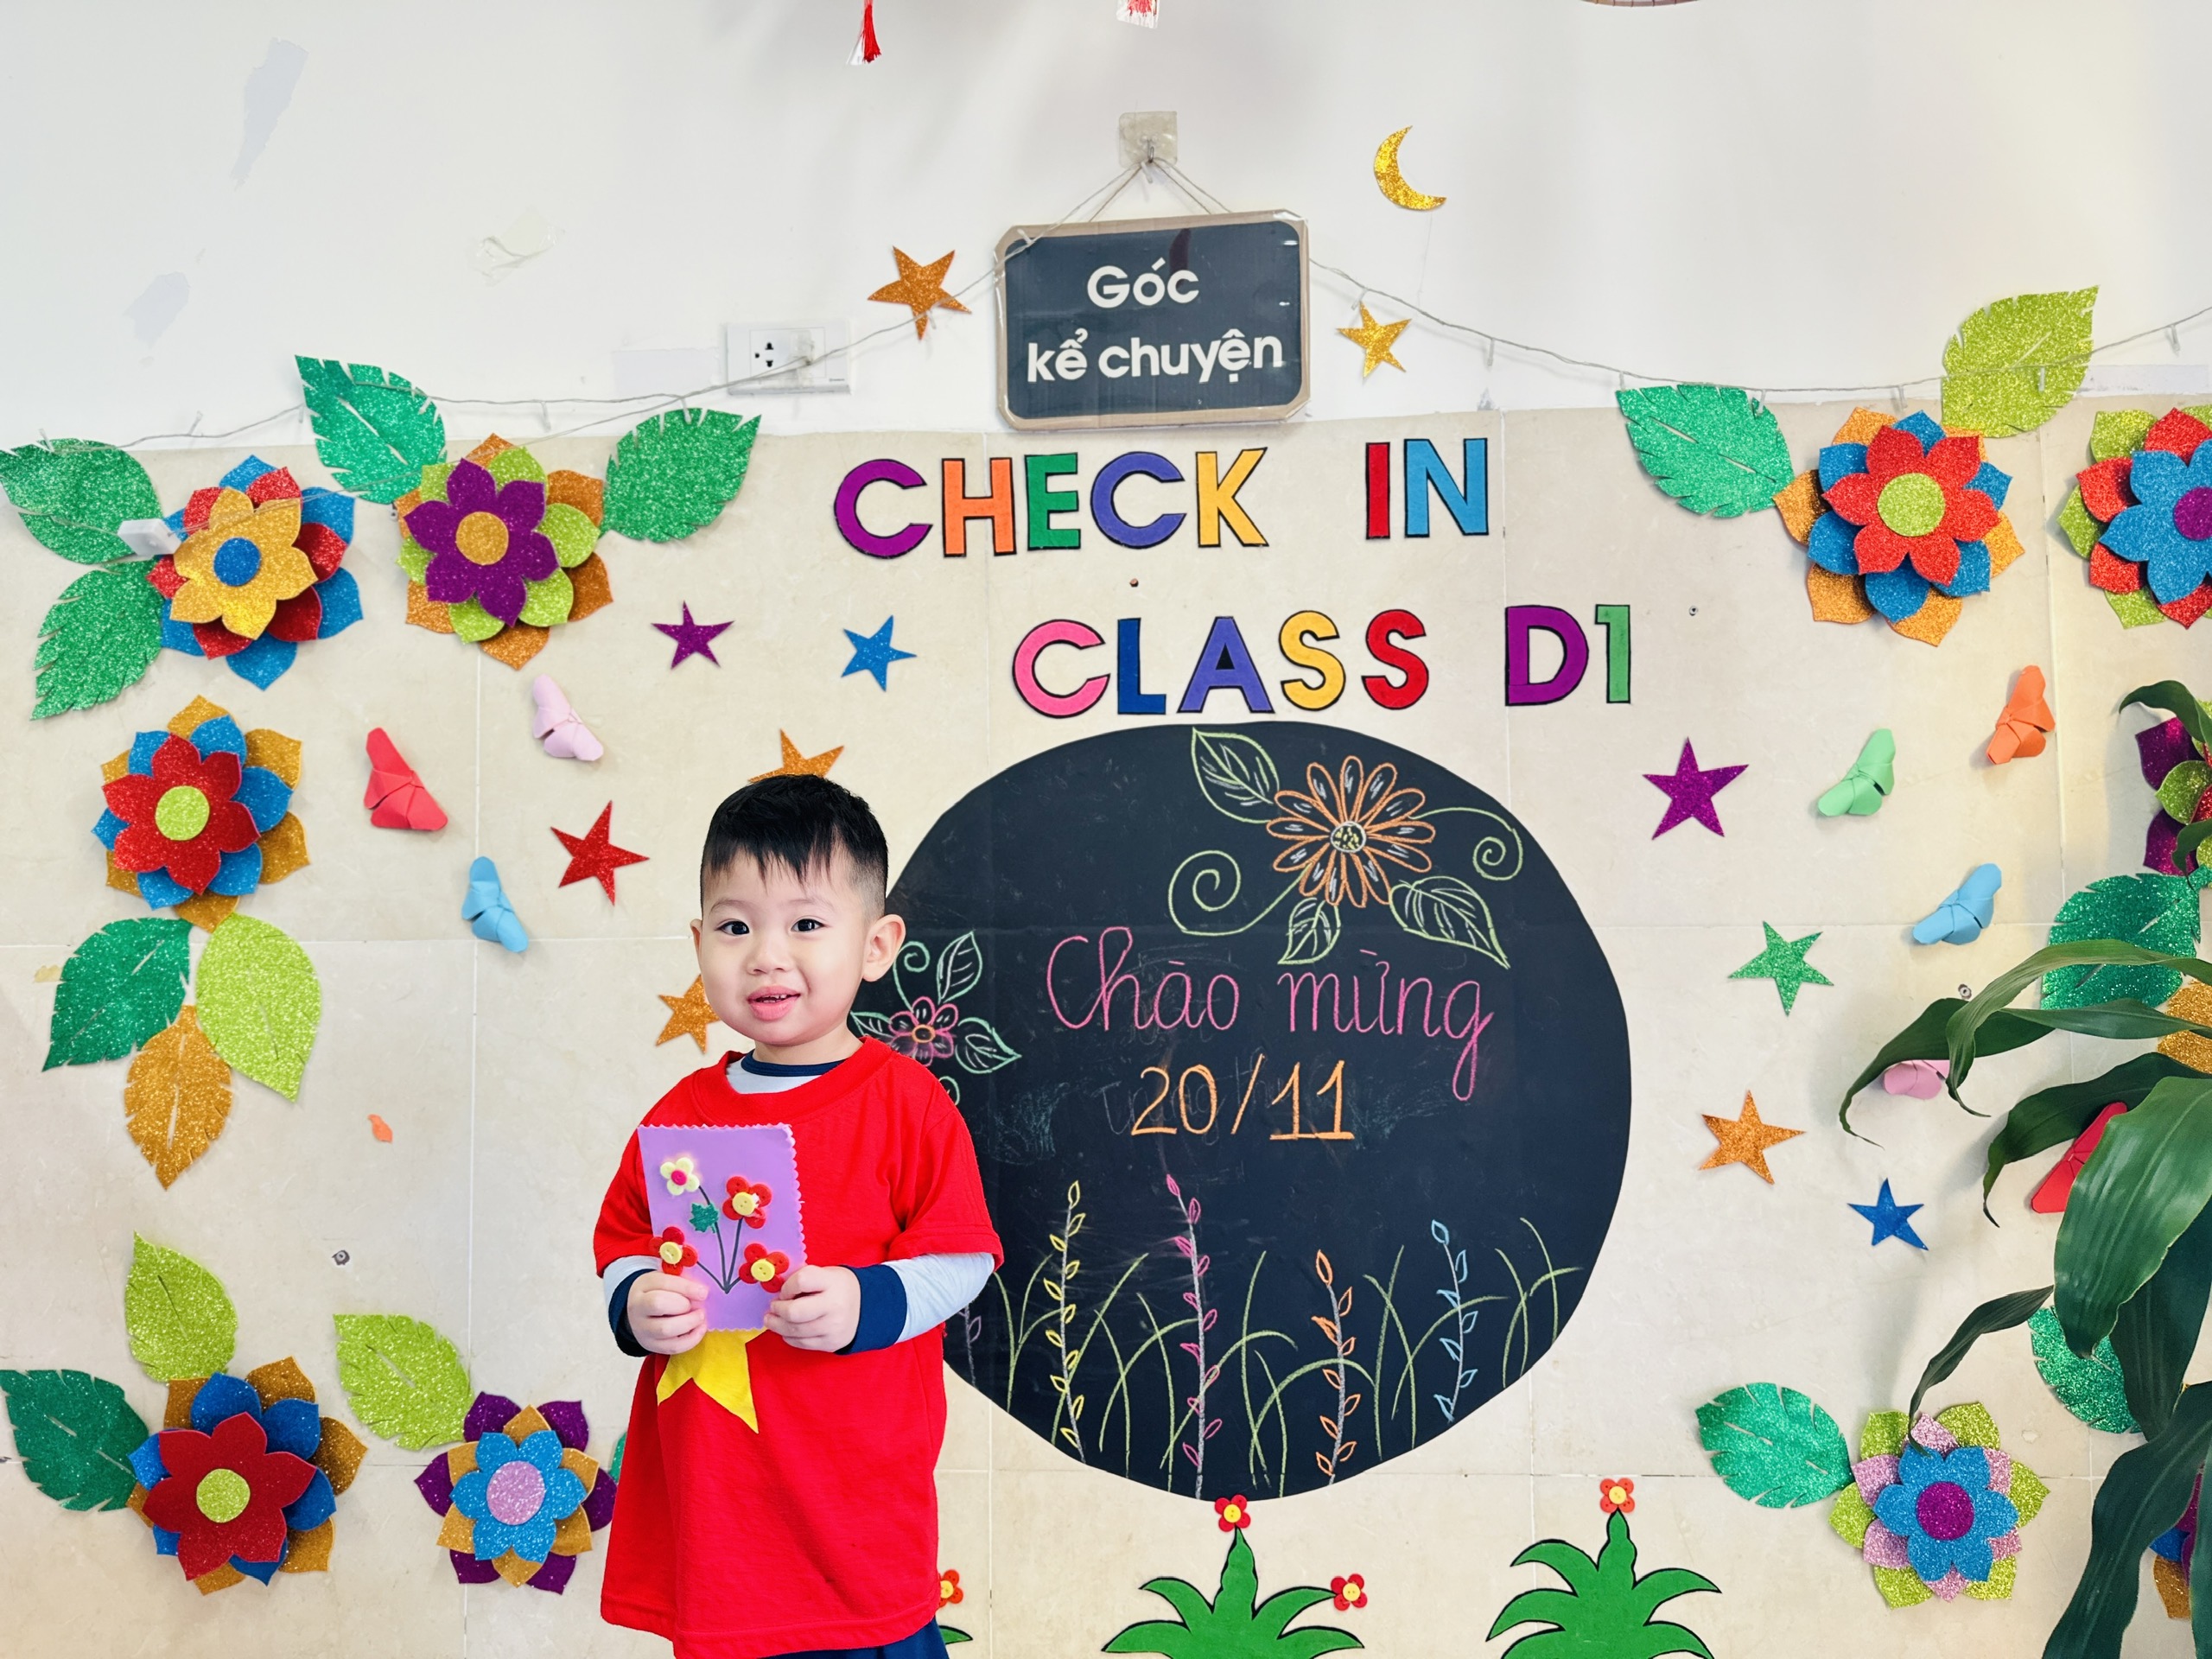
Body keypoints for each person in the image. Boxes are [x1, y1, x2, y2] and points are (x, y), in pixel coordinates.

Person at [593, 774, 1001, 1658]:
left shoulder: (907, 1104)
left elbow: (963, 1257)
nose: (767, 957)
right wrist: (636, 1302)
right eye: (736, 927)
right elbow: (623, 1244)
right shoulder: (680, 1115)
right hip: (722, 1526)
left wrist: (866, 1303)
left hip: (856, 1520)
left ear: (876, 945)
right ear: (700, 944)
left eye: (807, 924)